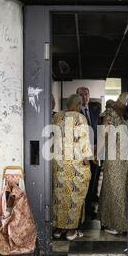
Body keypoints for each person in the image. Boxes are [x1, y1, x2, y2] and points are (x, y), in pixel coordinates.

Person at [51, 94, 93, 240]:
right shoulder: (80, 118)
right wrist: (87, 161)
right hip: (75, 165)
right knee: (74, 196)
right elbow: (84, 142)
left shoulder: (57, 117)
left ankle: (58, 229)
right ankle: (70, 231)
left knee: (59, 196)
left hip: (58, 164)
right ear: (78, 105)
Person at [98, 92, 128, 235]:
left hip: (122, 159)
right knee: (115, 190)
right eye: (126, 103)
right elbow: (105, 133)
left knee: (116, 189)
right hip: (115, 158)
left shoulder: (122, 115)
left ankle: (114, 222)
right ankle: (115, 224)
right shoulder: (111, 112)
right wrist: (97, 152)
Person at [76, 86, 101, 221]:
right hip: (81, 155)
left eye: (86, 94)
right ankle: (80, 209)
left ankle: (89, 208)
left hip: (94, 153)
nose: (84, 97)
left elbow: (98, 130)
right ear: (77, 97)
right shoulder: (75, 113)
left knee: (93, 182)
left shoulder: (95, 111)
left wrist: (97, 147)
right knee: (81, 182)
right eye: (81, 95)